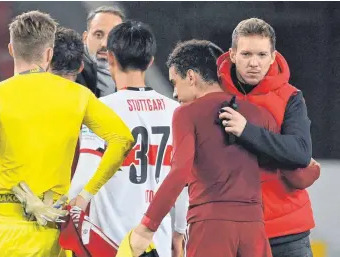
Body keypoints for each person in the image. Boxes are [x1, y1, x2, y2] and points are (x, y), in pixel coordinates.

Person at [0, 11, 134, 257]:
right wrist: (84, 196)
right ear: (49, 54)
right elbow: (123, 139)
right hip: (52, 235)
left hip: (3, 232)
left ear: (12, 49)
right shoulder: (77, 96)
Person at [118, 39, 276, 257]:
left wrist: (147, 227)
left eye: (174, 82)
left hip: (211, 228)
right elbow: (281, 169)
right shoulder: (257, 113)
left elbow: (179, 173)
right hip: (255, 229)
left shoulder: (186, 113)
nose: (174, 94)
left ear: (191, 77)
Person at [69, 21, 188, 257]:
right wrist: (179, 231)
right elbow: (183, 182)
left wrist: (67, 206)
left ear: (110, 57)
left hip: (110, 245)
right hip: (158, 241)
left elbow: (85, 175)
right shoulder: (176, 112)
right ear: (151, 61)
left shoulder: (100, 110)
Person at [216, 18, 319, 257]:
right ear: (232, 55)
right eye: (246, 54)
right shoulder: (213, 93)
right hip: (232, 231)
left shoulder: (291, 96)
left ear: (273, 57)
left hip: (287, 233)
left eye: (262, 55)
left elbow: (300, 153)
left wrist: (245, 131)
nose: (254, 63)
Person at [76, 5, 124, 97]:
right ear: (85, 38)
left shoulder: (128, 80)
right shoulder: (69, 75)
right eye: (98, 35)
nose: (104, 44)